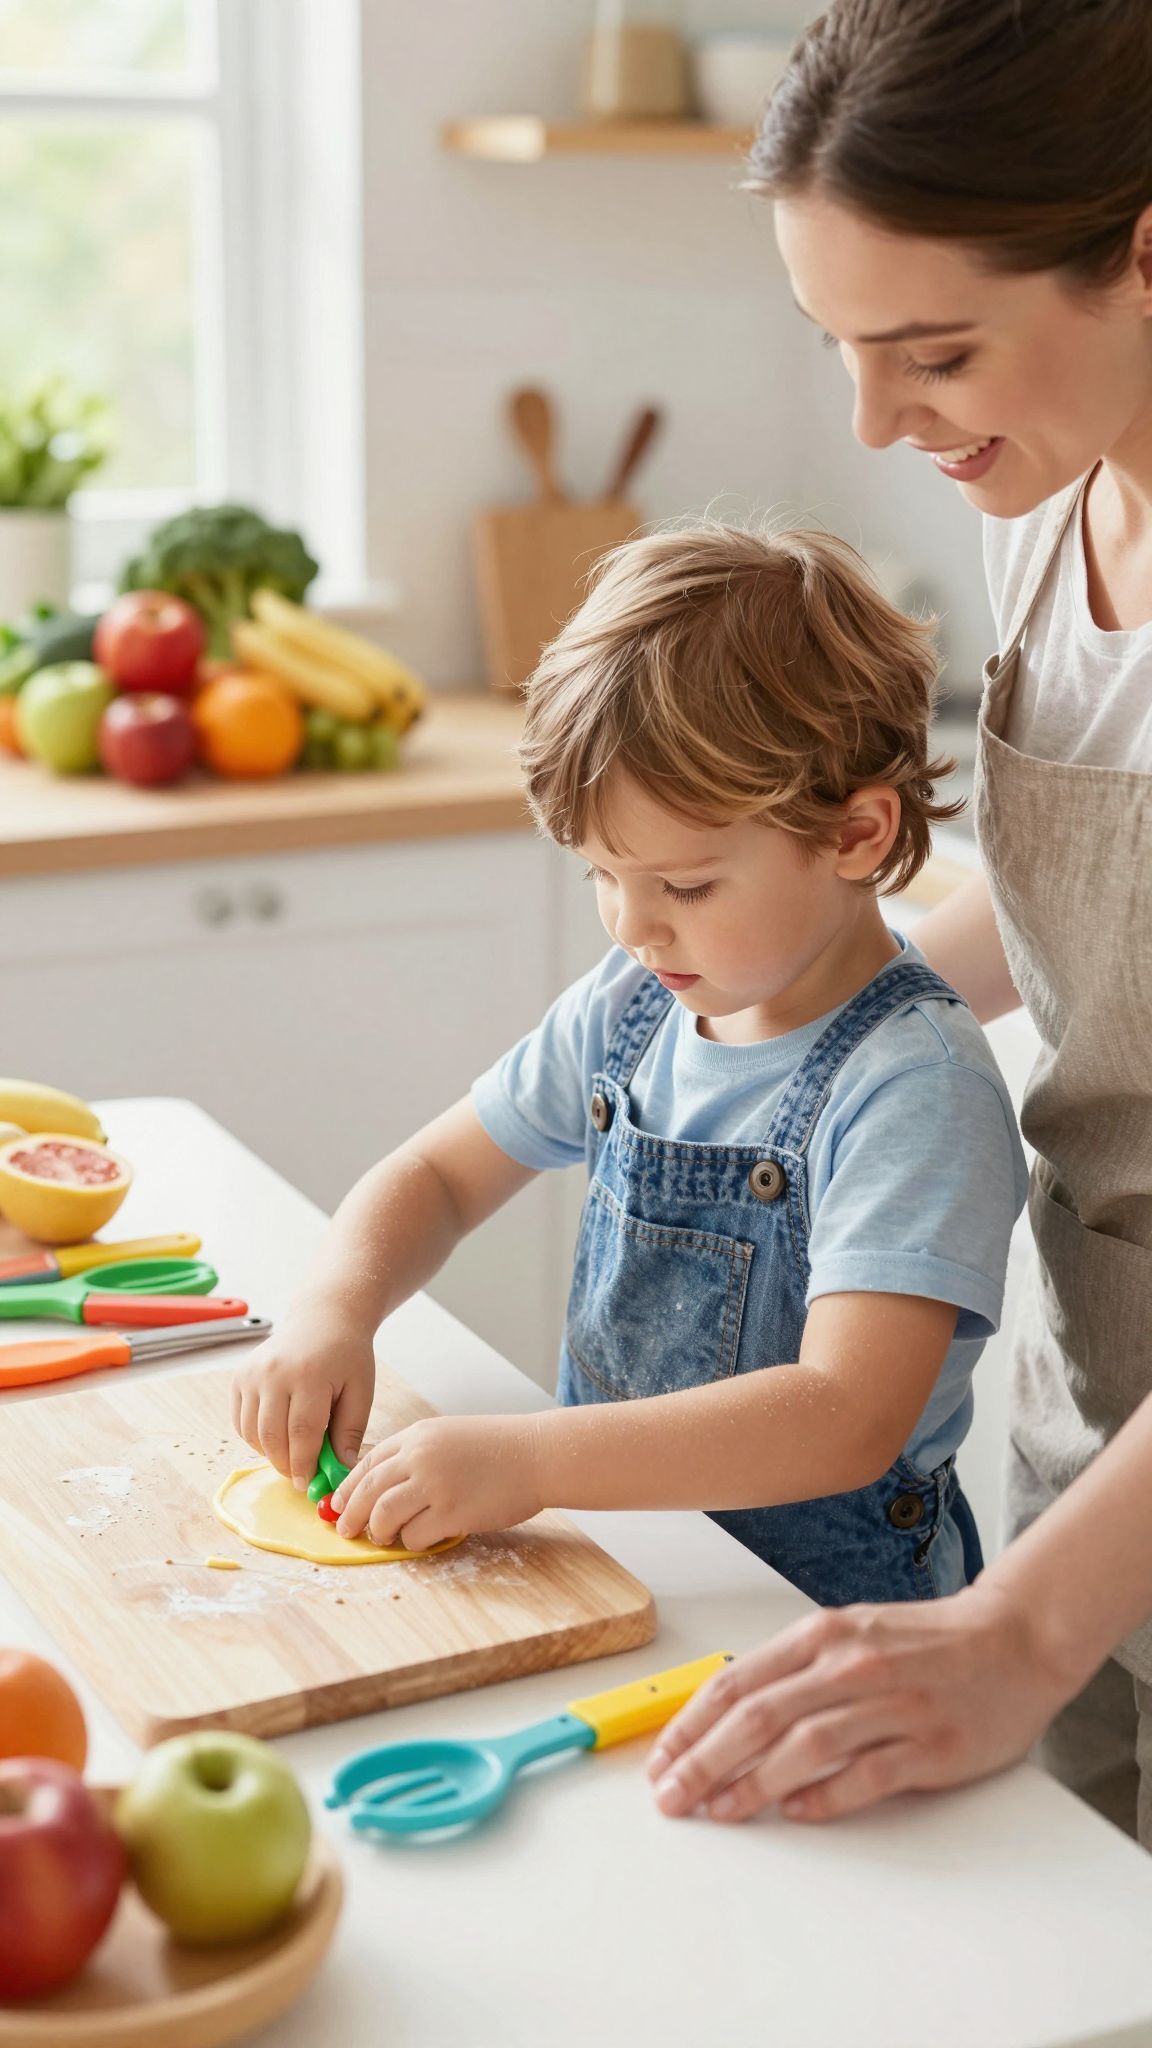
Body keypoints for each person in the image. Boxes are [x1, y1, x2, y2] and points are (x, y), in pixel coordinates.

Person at [647, 0, 1152, 1845]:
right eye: (841, 349)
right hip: (1085, 1422)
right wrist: (747, 999)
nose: (874, 421)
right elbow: (1074, 905)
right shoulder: (1053, 498)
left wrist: (1018, 1631)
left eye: (932, 349)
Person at [232, 522, 1025, 1607]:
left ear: (855, 835)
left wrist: (530, 1458)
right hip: (622, 1567)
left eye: (686, 887)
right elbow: (437, 1175)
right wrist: (334, 1306)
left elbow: (846, 1414)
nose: (635, 928)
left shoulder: (913, 1088)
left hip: (821, 1620)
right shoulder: (632, 1007)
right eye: (604, 874)